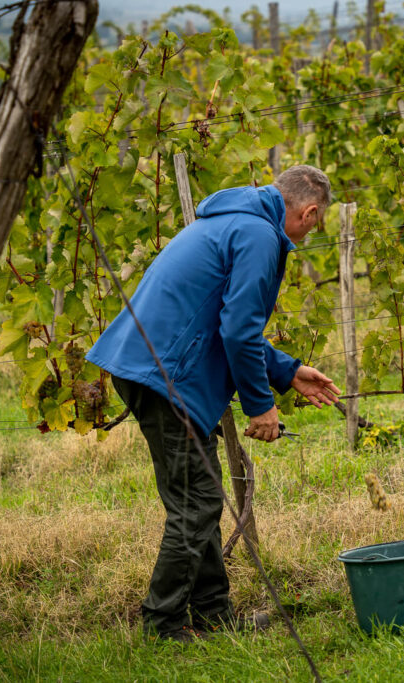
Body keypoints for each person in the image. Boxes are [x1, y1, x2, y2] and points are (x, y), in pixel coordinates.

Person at [86, 165, 340, 642]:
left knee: (198, 494)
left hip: (147, 366)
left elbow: (219, 319)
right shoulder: (258, 235)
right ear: (308, 211)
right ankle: (163, 625)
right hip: (165, 374)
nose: (310, 232)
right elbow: (238, 330)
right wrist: (260, 405)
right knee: (197, 501)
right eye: (316, 222)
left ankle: (211, 613)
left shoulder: (232, 219)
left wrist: (288, 371)